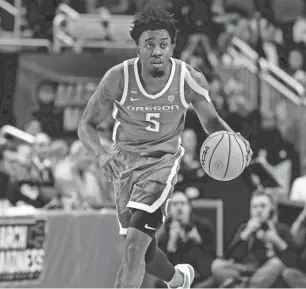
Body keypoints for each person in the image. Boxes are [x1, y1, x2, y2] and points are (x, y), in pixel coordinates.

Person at [77, 6, 253, 289]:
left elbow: (212, 122)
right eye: (149, 44)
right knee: (144, 253)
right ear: (138, 49)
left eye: (163, 44)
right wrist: (102, 153)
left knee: (133, 248)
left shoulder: (189, 79)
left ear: (172, 47)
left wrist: (239, 145)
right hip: (123, 164)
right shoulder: (118, 77)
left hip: (162, 163)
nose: (157, 51)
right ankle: (178, 279)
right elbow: (86, 125)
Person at [211, 191, 297, 288]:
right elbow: (233, 256)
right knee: (217, 265)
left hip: (266, 270)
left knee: (277, 264)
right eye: (255, 207)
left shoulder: (281, 228)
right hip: (244, 269)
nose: (258, 210)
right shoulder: (244, 227)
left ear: (271, 208)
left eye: (263, 206)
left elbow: (292, 260)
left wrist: (275, 239)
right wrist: (247, 233)